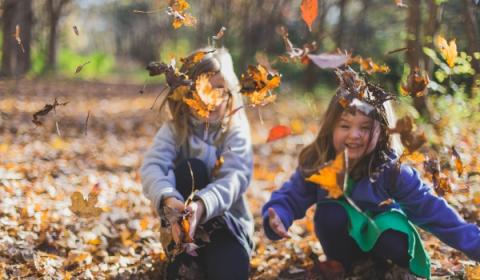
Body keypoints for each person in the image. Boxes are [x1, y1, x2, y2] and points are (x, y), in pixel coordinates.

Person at [262, 67, 480, 279]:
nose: (354, 135)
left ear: (382, 133)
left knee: (389, 230)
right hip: (343, 247)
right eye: (345, 126)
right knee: (330, 213)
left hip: (386, 245)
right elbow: (291, 196)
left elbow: (433, 210)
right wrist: (279, 215)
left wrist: (475, 245)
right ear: (331, 128)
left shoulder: (391, 170)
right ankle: (348, 267)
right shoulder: (320, 162)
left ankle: (387, 269)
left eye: (365, 128)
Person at [141, 47, 253, 280]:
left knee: (230, 270)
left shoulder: (234, 131)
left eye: (219, 88)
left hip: (228, 228)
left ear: (230, 91)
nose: (210, 97)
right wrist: (169, 200)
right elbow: (153, 166)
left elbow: (235, 178)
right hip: (181, 230)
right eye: (201, 87)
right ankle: (184, 263)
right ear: (185, 92)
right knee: (192, 169)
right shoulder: (175, 129)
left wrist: (202, 206)